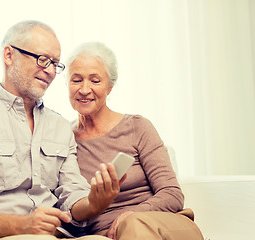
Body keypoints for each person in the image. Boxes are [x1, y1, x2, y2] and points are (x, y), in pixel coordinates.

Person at [0, 21, 120, 240]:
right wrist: (24, 225)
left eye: (56, 64)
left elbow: (72, 195)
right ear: (9, 55)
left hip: (53, 235)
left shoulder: (60, 127)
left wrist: (93, 203)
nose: (50, 71)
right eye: (42, 59)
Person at [66, 42, 204, 240]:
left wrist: (130, 216)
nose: (84, 89)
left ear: (110, 87)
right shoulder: (64, 141)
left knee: (133, 225)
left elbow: (172, 194)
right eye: (76, 80)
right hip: (107, 233)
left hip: (159, 224)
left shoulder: (137, 127)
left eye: (95, 81)